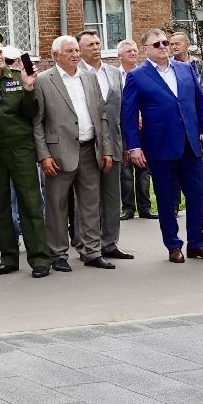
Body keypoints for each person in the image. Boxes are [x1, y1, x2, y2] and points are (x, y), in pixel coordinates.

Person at [120, 27, 203, 264]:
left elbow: (199, 104)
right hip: (159, 146)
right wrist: (134, 147)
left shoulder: (185, 69)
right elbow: (129, 115)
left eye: (165, 42)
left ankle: (197, 244)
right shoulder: (137, 76)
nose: (164, 47)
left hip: (190, 144)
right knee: (166, 199)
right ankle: (173, 246)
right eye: (157, 44)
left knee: (196, 195)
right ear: (145, 49)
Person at [35, 34, 112, 272]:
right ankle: (58, 253)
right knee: (57, 205)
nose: (75, 55)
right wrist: (44, 156)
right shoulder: (44, 81)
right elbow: (37, 122)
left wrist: (106, 148)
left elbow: (102, 114)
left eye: (76, 51)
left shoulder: (88, 77)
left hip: (90, 148)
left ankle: (91, 251)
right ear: (56, 55)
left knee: (90, 203)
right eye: (69, 51)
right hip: (58, 154)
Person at [0, 37, 46, 276]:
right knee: (1, 204)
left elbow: (31, 112)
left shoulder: (16, 78)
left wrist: (28, 89)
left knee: (30, 202)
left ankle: (39, 258)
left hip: (21, 147)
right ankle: (9, 258)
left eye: (0, 53)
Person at [77, 32, 131, 259]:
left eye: (98, 43)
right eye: (90, 45)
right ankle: (88, 245)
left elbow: (122, 110)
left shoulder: (113, 73)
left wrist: (127, 143)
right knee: (88, 197)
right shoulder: (75, 74)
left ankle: (110, 242)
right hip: (87, 144)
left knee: (112, 195)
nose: (96, 48)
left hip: (114, 142)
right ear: (79, 50)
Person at [115, 39, 154, 219]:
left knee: (144, 168)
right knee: (125, 169)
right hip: (123, 128)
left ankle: (145, 207)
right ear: (119, 56)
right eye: (128, 51)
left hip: (145, 128)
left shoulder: (145, 74)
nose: (133, 53)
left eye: (135, 50)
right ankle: (128, 208)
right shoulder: (115, 76)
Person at [169, 31, 203, 96]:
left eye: (177, 44)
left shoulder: (198, 64)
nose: (174, 47)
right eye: (172, 44)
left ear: (187, 45)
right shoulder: (167, 64)